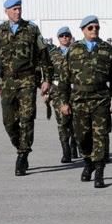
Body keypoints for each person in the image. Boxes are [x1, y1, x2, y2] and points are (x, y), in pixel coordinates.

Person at [57, 16, 112, 189]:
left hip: (100, 99)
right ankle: (88, 162)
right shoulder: (74, 50)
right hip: (79, 99)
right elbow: (64, 80)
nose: (94, 30)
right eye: (90, 28)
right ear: (83, 30)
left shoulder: (108, 50)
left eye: (97, 27)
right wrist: (63, 102)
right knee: (82, 137)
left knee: (100, 136)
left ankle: (100, 172)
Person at [0, 0, 52, 176]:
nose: (17, 12)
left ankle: (23, 155)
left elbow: (43, 55)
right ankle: (20, 145)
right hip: (7, 82)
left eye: (19, 8)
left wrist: (46, 79)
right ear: (6, 11)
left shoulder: (31, 29)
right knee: (8, 121)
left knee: (26, 118)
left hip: (27, 80)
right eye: (14, 9)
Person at [46, 26, 79, 164]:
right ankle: (66, 150)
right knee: (62, 122)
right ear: (58, 38)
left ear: (71, 37)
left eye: (67, 35)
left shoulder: (78, 52)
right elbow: (47, 72)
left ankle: (74, 146)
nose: (65, 37)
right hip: (58, 91)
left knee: (76, 121)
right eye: (62, 36)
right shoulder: (52, 54)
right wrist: (46, 91)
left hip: (75, 91)